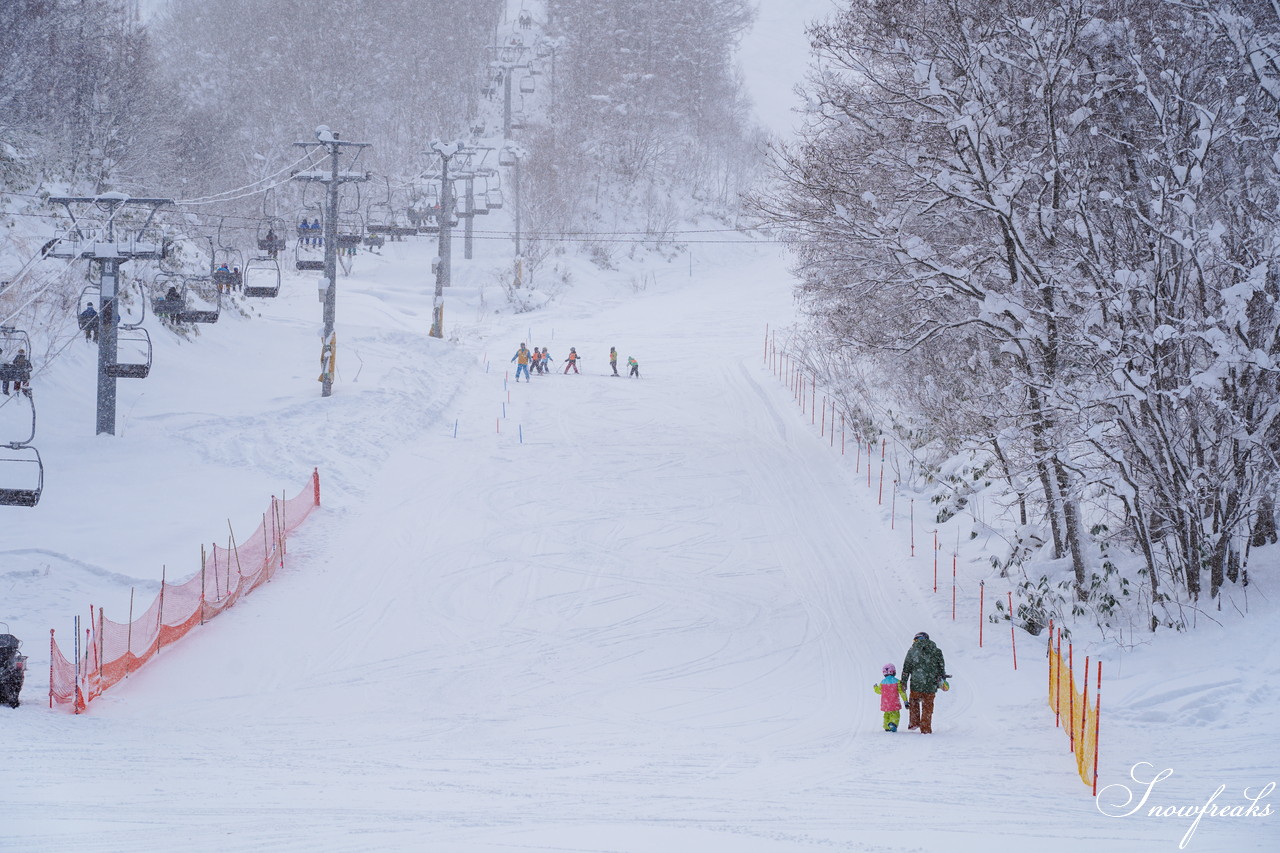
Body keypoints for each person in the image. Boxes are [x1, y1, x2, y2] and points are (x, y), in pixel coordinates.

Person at [901, 631, 947, 734]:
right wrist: (942, 679)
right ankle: (925, 728)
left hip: (916, 683)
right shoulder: (936, 651)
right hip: (930, 685)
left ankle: (914, 722)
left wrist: (904, 682)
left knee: (914, 702)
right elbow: (941, 667)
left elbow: (906, 668)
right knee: (928, 707)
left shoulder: (912, 651)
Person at [874, 663, 908, 732]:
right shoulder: (897, 682)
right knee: (895, 714)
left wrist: (875, 688)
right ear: (894, 672)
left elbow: (879, 691)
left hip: (885, 704)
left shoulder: (882, 683)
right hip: (894, 703)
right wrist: (905, 701)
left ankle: (886, 726)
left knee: (886, 714)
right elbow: (902, 692)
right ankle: (893, 724)